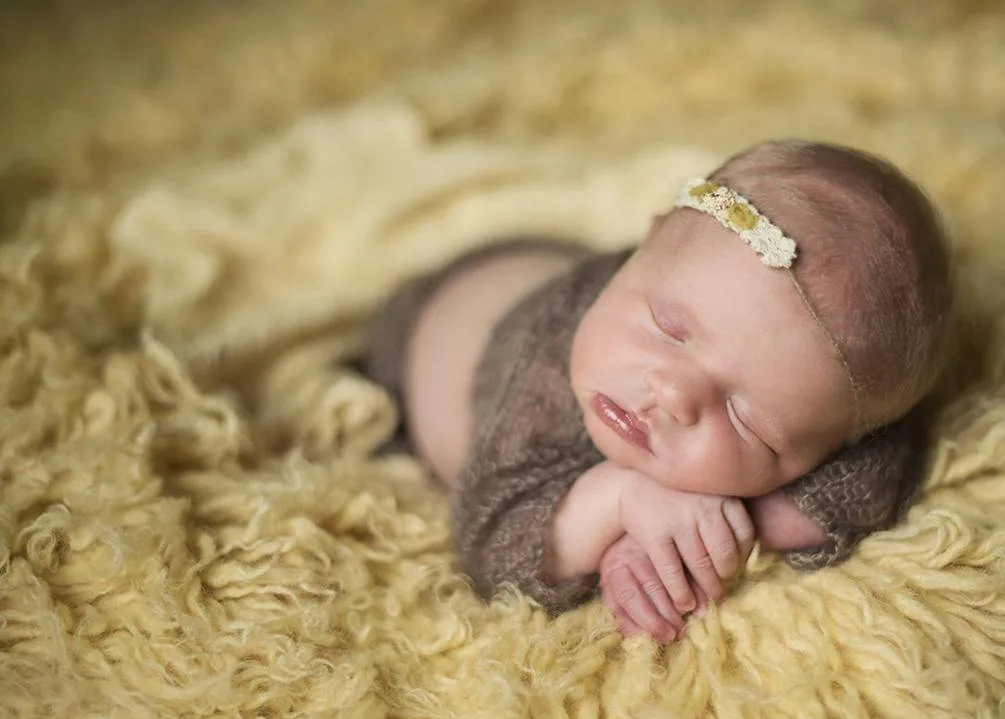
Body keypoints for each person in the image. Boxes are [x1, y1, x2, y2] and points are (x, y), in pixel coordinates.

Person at [357, 140, 952, 643]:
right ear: (645, 244)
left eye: (745, 420)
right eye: (669, 328)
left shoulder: (815, 397)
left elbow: (882, 466)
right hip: (425, 325)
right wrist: (618, 500)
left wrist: (721, 522)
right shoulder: (538, 380)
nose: (671, 392)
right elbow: (490, 546)